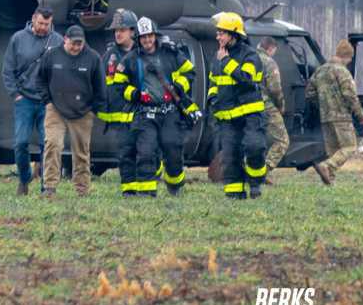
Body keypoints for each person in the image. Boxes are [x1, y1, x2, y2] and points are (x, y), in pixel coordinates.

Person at [116, 17, 200, 197]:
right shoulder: (130, 59)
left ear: (155, 36)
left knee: (173, 148)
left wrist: (179, 86)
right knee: (145, 151)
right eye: (143, 37)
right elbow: (119, 84)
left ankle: (175, 184)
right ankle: (147, 193)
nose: (147, 40)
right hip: (145, 114)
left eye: (150, 36)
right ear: (138, 38)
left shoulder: (170, 53)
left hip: (169, 111)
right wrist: (135, 94)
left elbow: (190, 71)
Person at [2, 6, 63, 195]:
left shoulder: (58, 41)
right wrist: (15, 94)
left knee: (49, 144)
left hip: (48, 102)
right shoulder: (18, 39)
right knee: (20, 143)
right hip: (25, 100)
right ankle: (24, 178)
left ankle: (47, 185)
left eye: (47, 23)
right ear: (33, 19)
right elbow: (8, 69)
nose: (44, 27)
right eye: (41, 23)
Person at [39, 25, 105, 197]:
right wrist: (47, 100)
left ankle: (82, 189)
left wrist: (94, 109)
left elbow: (100, 87)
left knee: (81, 151)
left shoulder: (93, 58)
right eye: (73, 43)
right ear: (65, 40)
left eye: (79, 44)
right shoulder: (51, 55)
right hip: (56, 108)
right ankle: (49, 187)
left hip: (83, 112)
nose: (76, 47)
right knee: (53, 144)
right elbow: (40, 79)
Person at [207, 11, 267, 199]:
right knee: (230, 157)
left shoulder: (250, 56)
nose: (218, 37)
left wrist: (227, 62)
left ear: (233, 34)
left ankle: (256, 183)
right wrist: (212, 101)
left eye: (221, 33)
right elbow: (213, 84)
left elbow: (247, 80)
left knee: (254, 147)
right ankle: (234, 196)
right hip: (227, 118)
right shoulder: (217, 58)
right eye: (218, 33)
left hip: (250, 115)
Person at [307, 39, 363, 186]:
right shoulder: (342, 72)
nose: (349, 61)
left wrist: (322, 104)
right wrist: (360, 115)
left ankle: (329, 183)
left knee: (333, 152)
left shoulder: (320, 70)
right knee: (349, 146)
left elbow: (309, 92)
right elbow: (350, 95)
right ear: (346, 56)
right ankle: (327, 167)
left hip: (325, 117)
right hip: (341, 117)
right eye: (350, 58)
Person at [102, 9, 140, 194]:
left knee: (145, 150)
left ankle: (146, 185)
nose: (118, 33)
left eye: (122, 29)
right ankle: (129, 190)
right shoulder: (109, 55)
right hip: (119, 114)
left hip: (141, 111)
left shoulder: (143, 53)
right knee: (125, 153)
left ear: (132, 31)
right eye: (116, 30)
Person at [257, 36, 289, 182]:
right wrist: (281, 106)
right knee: (282, 140)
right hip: (265, 106)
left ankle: (246, 168)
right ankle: (263, 171)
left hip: (245, 106)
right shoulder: (269, 62)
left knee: (254, 139)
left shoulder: (248, 58)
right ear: (270, 48)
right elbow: (275, 88)